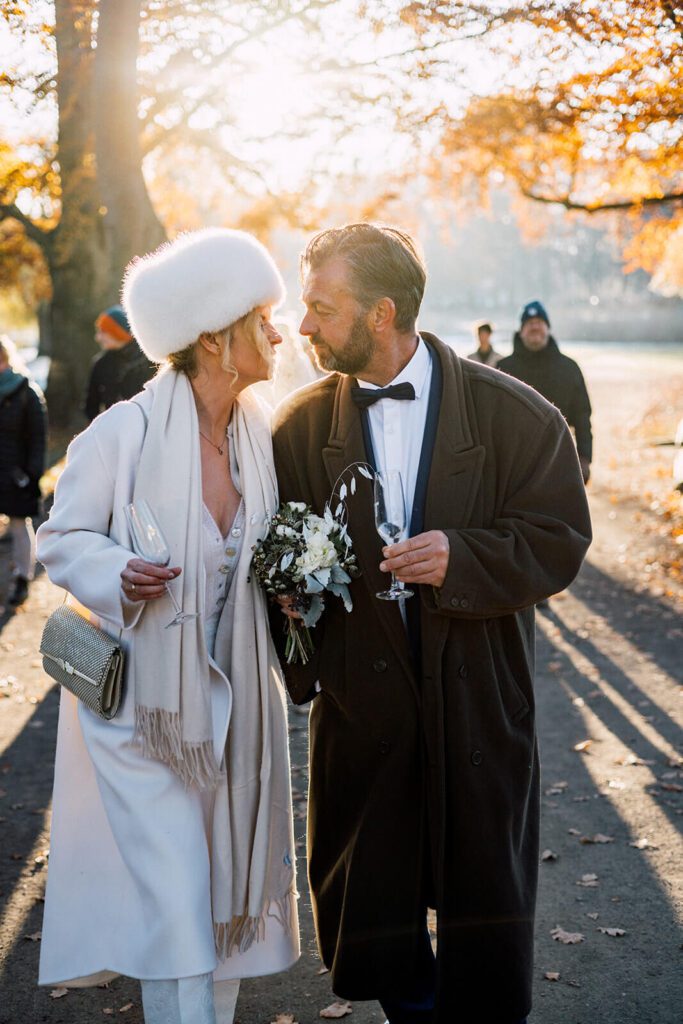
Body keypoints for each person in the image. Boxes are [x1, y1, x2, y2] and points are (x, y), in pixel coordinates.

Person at [271, 223, 592, 1024]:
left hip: (478, 699)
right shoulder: (296, 427)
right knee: (375, 911)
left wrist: (465, 555)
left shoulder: (521, 415)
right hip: (363, 712)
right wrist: (290, 600)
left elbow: (559, 540)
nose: (303, 325)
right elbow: (273, 555)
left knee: (483, 907)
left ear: (381, 313)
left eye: (320, 306)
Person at [36, 229, 299, 1024]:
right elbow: (61, 538)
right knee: (180, 899)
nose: (279, 332)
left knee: (219, 893)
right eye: (262, 317)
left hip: (239, 704)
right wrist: (115, 572)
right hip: (142, 714)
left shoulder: (260, 433)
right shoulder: (123, 432)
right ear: (214, 339)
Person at [497, 301, 593, 483]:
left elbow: (582, 416)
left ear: (548, 328)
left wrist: (584, 458)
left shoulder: (569, 368)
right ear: (520, 331)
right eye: (529, 323)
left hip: (560, 459)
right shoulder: (503, 369)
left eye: (539, 322)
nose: (535, 327)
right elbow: (492, 421)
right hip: (513, 467)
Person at [0, 335, 47, 607]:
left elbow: (38, 438)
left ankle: (22, 578)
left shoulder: (27, 392)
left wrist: (32, 474)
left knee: (19, 525)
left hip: (17, 474)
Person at [83, 304, 155, 420]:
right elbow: (91, 407)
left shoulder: (150, 361)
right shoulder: (101, 364)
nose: (98, 337)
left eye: (103, 332)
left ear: (118, 332)